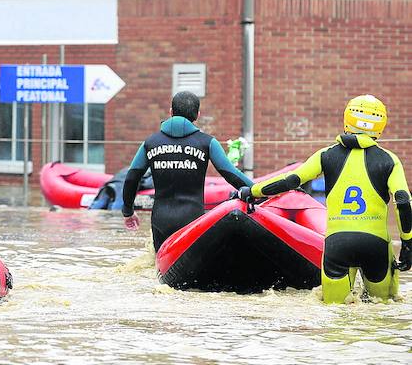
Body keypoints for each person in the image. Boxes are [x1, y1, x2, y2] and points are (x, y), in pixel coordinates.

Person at [238, 95, 411, 303]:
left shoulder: (326, 155)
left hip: (337, 244)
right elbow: (402, 200)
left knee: (335, 315)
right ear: (381, 124)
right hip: (376, 245)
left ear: (347, 119)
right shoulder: (390, 160)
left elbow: (291, 180)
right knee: (381, 311)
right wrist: (407, 244)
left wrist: (251, 191)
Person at [121, 90, 254, 251]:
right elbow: (231, 174)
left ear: (171, 112)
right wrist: (259, 191)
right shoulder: (208, 142)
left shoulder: (150, 143)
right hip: (193, 220)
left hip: (160, 220)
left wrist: (128, 211)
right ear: (197, 115)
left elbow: (131, 177)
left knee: (160, 269)